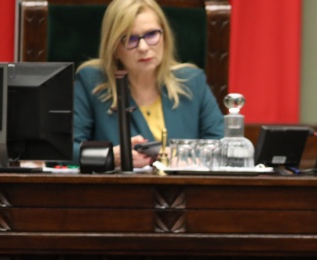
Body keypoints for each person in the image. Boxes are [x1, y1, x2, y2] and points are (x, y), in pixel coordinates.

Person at [73, 0, 225, 168]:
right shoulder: (91, 82)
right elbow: (65, 152)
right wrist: (109, 156)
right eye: (130, 39)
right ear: (113, 47)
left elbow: (222, 148)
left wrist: (183, 157)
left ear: (164, 37)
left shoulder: (192, 82)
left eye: (151, 34)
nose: (143, 47)